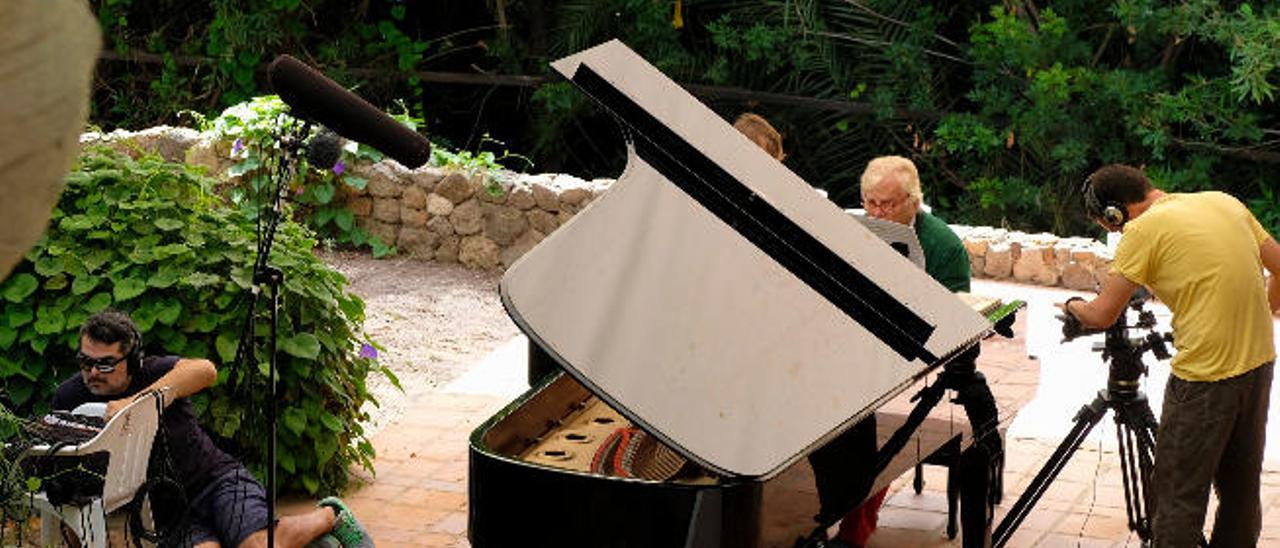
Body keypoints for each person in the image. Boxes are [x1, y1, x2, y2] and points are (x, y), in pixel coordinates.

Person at [1061, 164, 1280, 547]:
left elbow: (1102, 314)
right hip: (1259, 362)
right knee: (1240, 491)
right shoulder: (1223, 202)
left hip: (1204, 377)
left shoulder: (1142, 230)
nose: (1116, 231)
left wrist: (1073, 304)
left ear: (1116, 212)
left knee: (1178, 498)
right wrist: (1264, 310)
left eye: (1110, 224)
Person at [52, 309, 374, 548]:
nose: (93, 372)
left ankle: (330, 515)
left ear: (132, 361)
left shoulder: (155, 373)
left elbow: (205, 370)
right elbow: (66, 482)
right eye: (85, 362)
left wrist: (137, 403)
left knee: (256, 546)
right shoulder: (69, 397)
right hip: (168, 508)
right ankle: (310, 542)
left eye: (105, 364)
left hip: (217, 481)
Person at [810, 155, 995, 548]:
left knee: (882, 435)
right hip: (855, 359)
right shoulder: (851, 228)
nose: (877, 212)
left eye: (887, 204)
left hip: (917, 366)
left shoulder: (942, 244)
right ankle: (820, 514)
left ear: (914, 200)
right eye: (870, 202)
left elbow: (957, 322)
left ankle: (852, 530)